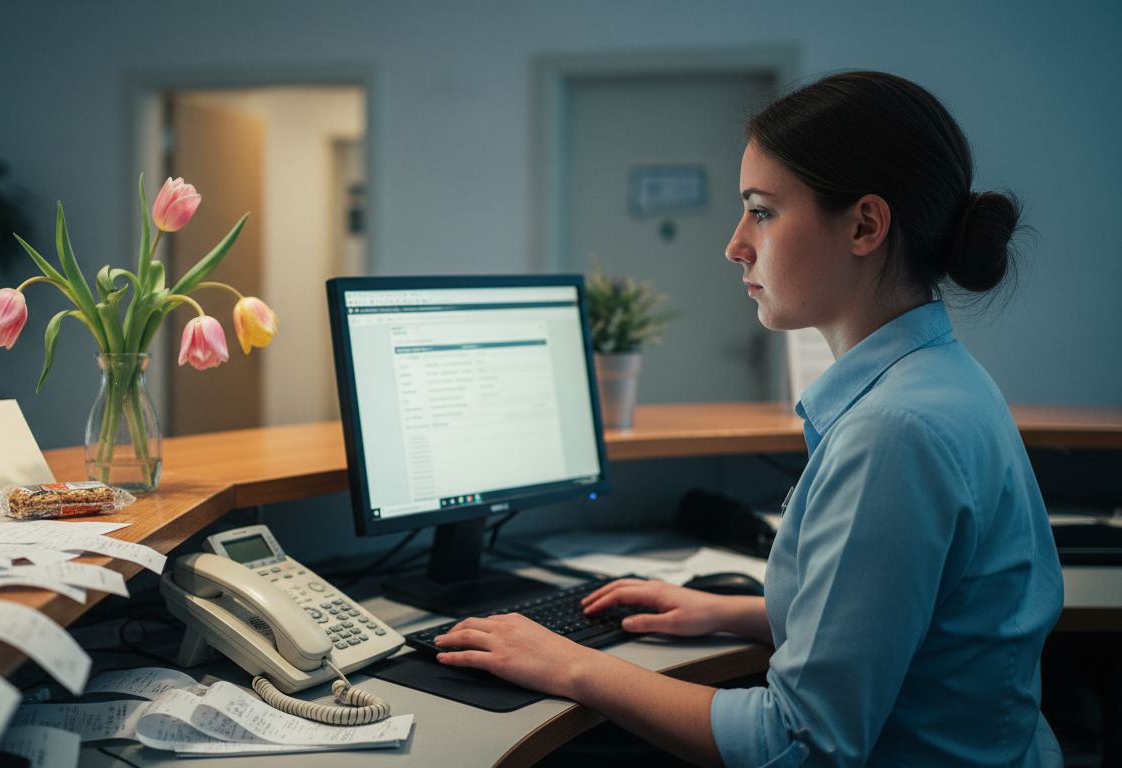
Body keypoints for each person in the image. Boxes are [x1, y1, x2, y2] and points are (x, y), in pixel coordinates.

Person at [434, 70, 1065, 767]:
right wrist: (731, 611)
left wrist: (567, 665)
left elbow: (800, 744)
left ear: (864, 225)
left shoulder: (894, 432)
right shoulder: (942, 382)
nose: (736, 245)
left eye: (761, 211)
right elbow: (910, 621)